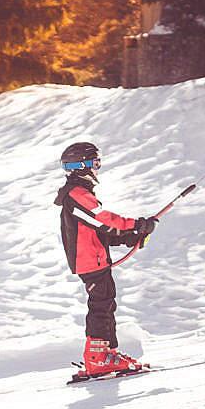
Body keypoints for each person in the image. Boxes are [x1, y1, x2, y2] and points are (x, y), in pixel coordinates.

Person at [54, 141, 158, 376]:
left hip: (95, 259)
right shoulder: (76, 195)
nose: (97, 168)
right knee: (101, 306)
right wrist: (136, 225)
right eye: (95, 163)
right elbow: (103, 220)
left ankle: (106, 353)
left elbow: (99, 232)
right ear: (81, 166)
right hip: (90, 261)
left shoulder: (81, 195)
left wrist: (129, 238)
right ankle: (97, 358)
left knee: (107, 304)